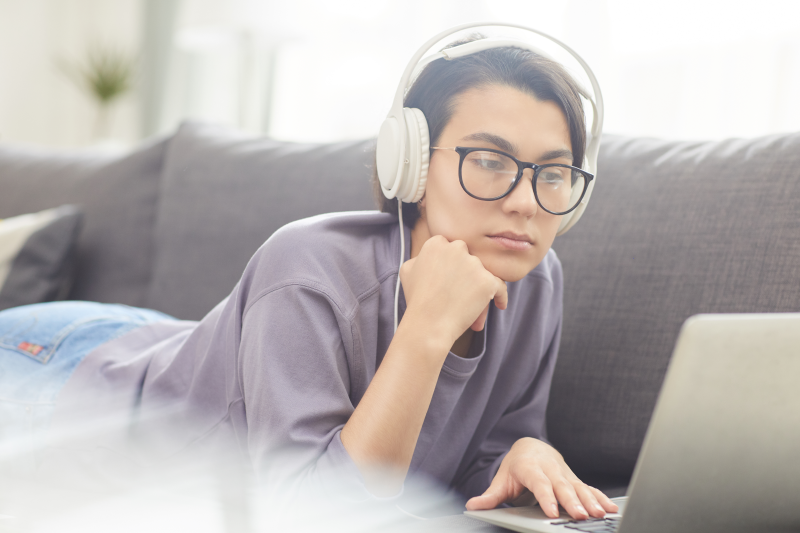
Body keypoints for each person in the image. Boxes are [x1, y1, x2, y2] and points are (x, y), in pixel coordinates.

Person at [0, 30, 617, 521]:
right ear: (409, 162)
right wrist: (427, 328)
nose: (525, 201)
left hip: (168, 343)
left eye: (554, 173)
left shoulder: (537, 279)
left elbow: (475, 460)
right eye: (489, 161)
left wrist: (520, 454)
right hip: (61, 378)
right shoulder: (308, 266)